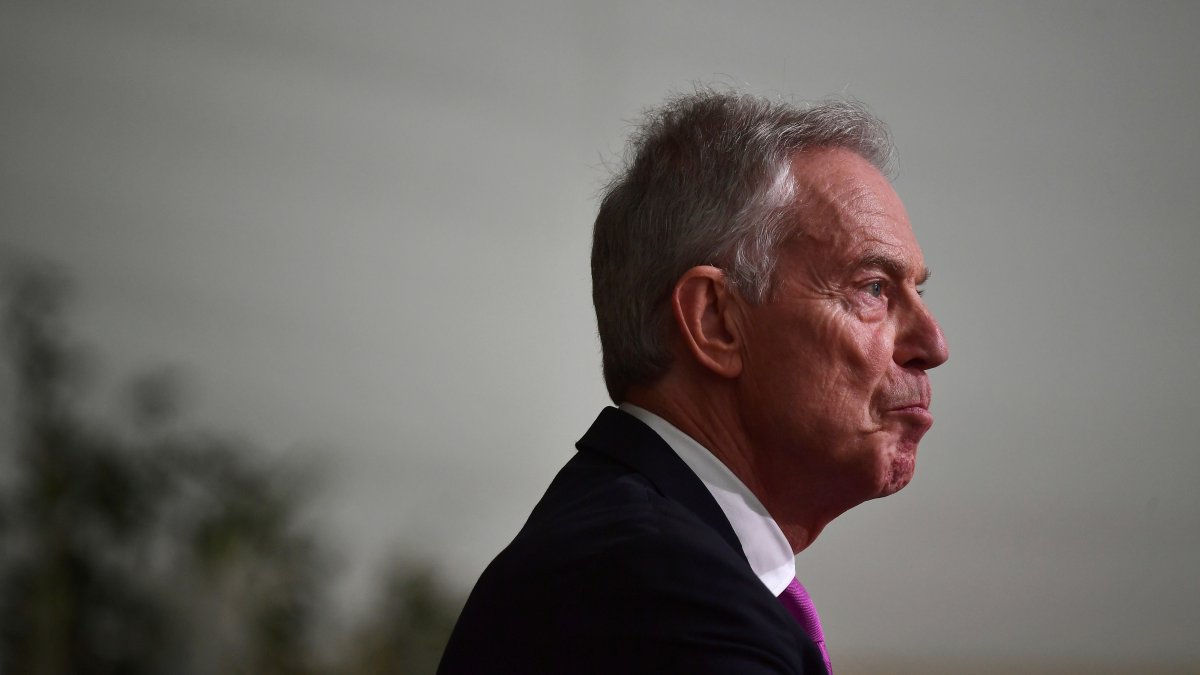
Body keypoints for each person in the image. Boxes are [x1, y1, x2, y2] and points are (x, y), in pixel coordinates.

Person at [438, 90, 949, 675]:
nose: (933, 345)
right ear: (715, 322)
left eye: (918, 291)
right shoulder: (654, 590)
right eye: (874, 289)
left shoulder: (654, 557)